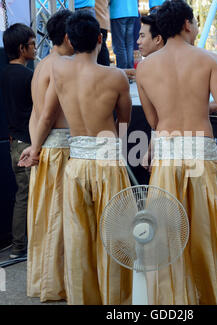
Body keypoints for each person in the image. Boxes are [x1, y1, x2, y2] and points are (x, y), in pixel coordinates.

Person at [136, 0, 217, 305]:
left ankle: (172, 300)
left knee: (167, 232)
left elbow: (153, 121)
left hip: (166, 155)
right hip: (200, 155)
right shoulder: (207, 59)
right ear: (188, 24)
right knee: (210, 231)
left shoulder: (145, 68)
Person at [51, 10, 132, 305]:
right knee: (115, 234)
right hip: (107, 163)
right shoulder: (115, 76)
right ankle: (117, 300)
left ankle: (83, 299)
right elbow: (124, 122)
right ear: (100, 38)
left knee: (78, 239)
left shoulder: (57, 69)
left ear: (70, 40)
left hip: (76, 164)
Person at [18, 9, 74, 302]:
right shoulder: (59, 67)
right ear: (68, 36)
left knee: (47, 217)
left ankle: (52, 280)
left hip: (45, 146)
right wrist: (36, 147)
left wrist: (34, 145)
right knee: (60, 219)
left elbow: (36, 115)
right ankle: (60, 282)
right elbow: (48, 114)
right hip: (58, 149)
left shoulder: (40, 65)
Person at [0, 23, 36, 259]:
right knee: (27, 196)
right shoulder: (28, 76)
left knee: (22, 194)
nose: (35, 49)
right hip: (27, 144)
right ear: (22, 48)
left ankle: (19, 246)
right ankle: (19, 247)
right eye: (32, 45)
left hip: (15, 143)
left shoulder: (4, 74)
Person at [109, 0, 139, 69]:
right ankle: (130, 71)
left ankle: (123, 71)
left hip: (118, 10)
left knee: (119, 45)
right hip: (132, 10)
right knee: (129, 44)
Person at [95, 0, 110, 66]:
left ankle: (105, 67)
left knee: (101, 48)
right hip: (104, 21)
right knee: (102, 46)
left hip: (98, 21)